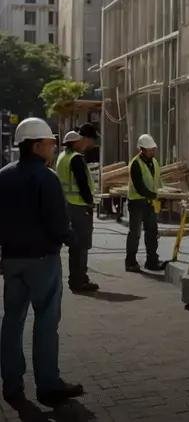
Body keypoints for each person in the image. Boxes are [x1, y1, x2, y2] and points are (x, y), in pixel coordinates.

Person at [0, 118, 85, 406]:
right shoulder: (46, 178)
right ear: (36, 145)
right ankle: (48, 384)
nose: (52, 147)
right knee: (46, 322)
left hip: (12, 260)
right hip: (42, 261)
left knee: (12, 322)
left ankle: (12, 385)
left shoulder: (4, 176)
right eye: (49, 142)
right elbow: (58, 223)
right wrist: (73, 239)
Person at [56, 130, 99, 293]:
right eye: (80, 141)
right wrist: (90, 202)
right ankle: (80, 280)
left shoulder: (61, 157)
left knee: (75, 244)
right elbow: (82, 184)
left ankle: (75, 279)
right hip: (79, 206)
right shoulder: (76, 158)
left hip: (67, 205)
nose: (83, 144)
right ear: (75, 143)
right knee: (82, 244)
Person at [125, 134, 164, 272]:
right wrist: (154, 194)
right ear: (142, 150)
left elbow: (157, 182)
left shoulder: (154, 162)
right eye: (150, 149)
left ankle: (152, 261)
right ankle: (130, 262)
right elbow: (139, 186)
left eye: (153, 149)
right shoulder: (135, 164)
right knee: (135, 233)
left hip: (150, 202)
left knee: (152, 232)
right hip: (137, 202)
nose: (153, 152)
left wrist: (160, 195)